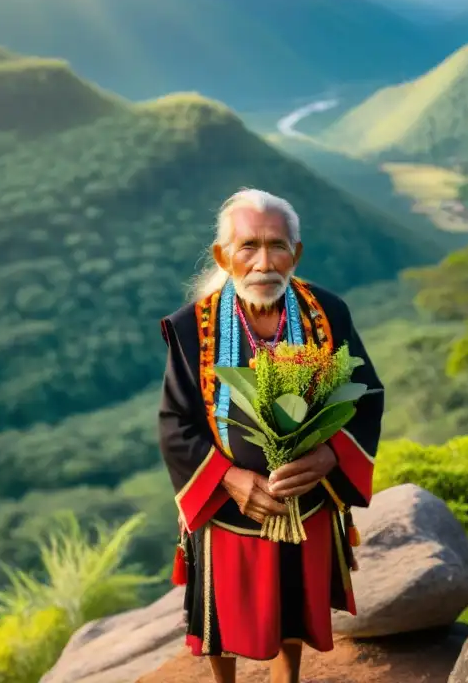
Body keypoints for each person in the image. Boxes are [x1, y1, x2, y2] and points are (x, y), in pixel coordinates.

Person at [157, 188, 385, 683]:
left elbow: (365, 394)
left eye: (278, 245)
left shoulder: (327, 313)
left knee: (293, 608)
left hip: (306, 500)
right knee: (218, 621)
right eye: (248, 247)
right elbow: (176, 423)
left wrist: (328, 456)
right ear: (223, 256)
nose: (264, 262)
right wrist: (230, 478)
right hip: (228, 508)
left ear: (296, 253)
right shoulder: (191, 328)